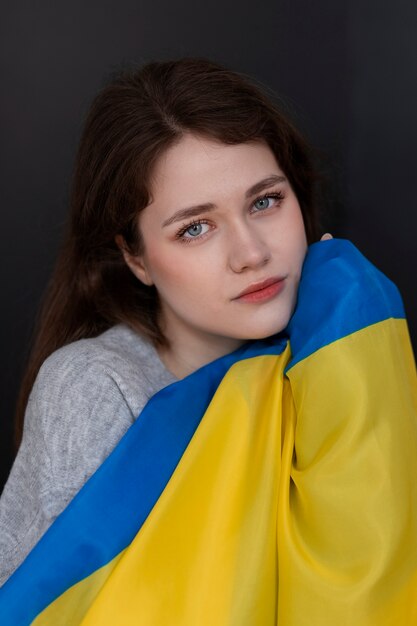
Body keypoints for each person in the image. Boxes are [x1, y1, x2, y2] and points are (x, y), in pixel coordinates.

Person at [0, 58, 416, 624]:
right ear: (136, 257)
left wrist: (357, 347)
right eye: (195, 228)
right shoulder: (98, 386)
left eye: (265, 201)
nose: (251, 253)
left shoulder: (338, 354)